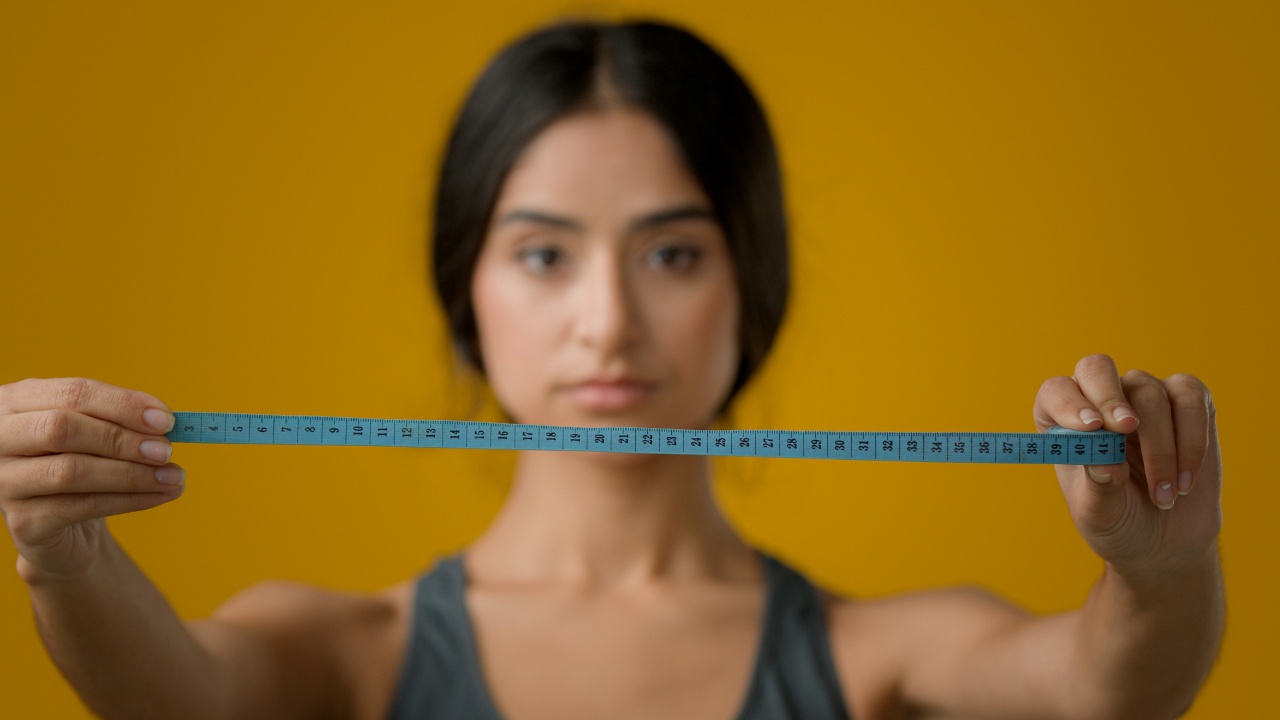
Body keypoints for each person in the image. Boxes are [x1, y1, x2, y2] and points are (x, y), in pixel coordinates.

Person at [0, 19, 1223, 720]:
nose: (608, 322)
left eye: (672, 252)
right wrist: (65, 553)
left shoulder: (880, 654)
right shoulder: (344, 650)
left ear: (751, 284)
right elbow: (177, 699)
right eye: (541, 254)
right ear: (465, 290)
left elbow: (1098, 693)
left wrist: (1158, 574)